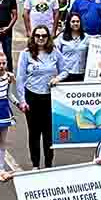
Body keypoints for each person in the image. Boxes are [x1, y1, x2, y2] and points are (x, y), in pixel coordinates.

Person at [17, 25, 64, 169]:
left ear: (48, 37)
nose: (41, 38)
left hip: (49, 98)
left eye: (44, 36)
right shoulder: (26, 54)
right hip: (32, 97)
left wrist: (58, 78)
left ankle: (49, 163)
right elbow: (20, 78)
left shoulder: (55, 53)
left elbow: (65, 70)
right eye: (38, 36)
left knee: (49, 134)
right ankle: (35, 164)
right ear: (33, 37)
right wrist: (22, 100)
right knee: (34, 133)